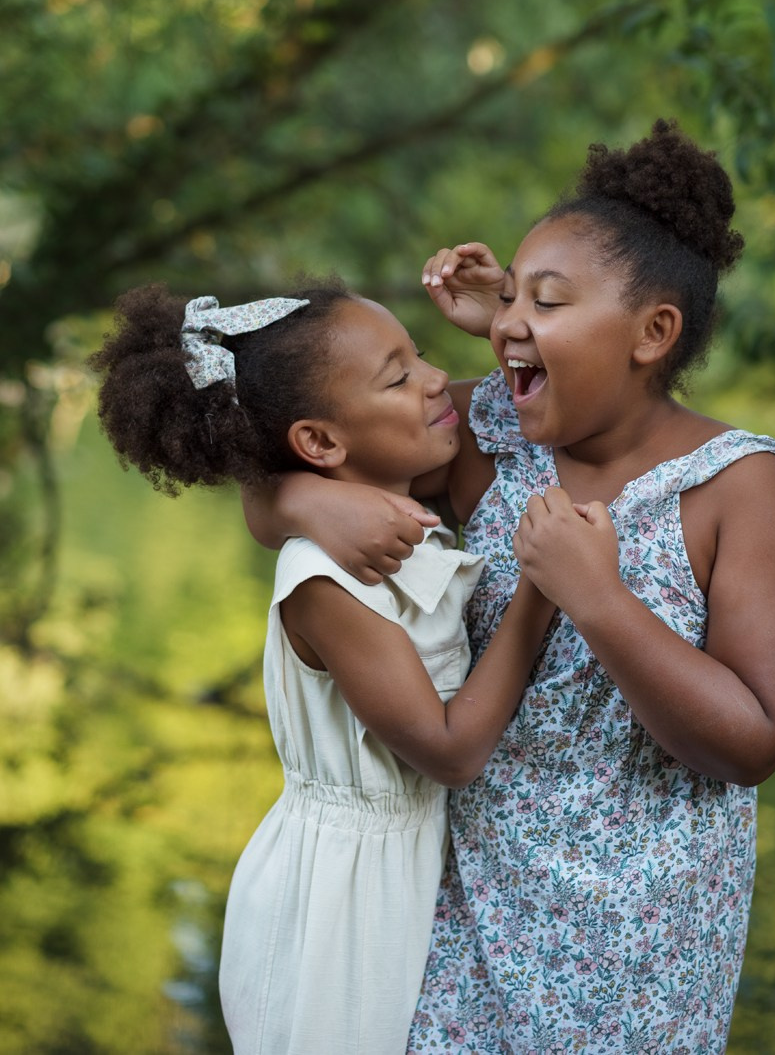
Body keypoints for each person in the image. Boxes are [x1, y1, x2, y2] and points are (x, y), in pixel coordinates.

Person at [250, 119, 775, 1054]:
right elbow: (292, 458)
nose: (509, 320)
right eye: (511, 294)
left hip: (639, 957)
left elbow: (753, 742)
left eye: (546, 302)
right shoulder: (502, 439)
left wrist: (601, 601)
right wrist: (312, 505)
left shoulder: (738, 486)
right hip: (462, 916)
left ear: (653, 333)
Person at [90, 280, 557, 1055]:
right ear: (320, 445)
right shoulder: (325, 581)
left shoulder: (394, 516)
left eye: (420, 357)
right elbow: (449, 750)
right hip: (340, 904)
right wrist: (541, 594)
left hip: (403, 872)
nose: (436, 379)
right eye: (398, 376)